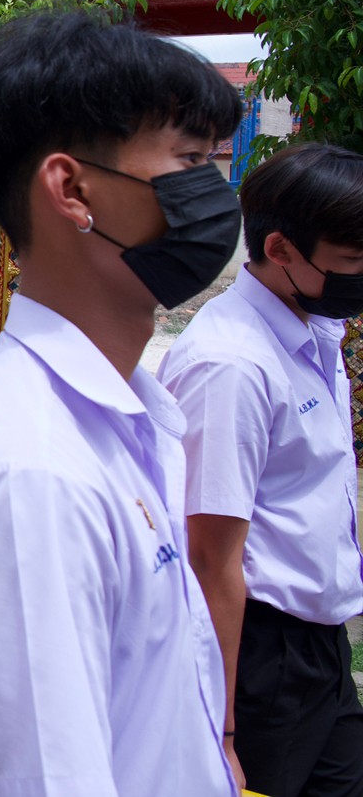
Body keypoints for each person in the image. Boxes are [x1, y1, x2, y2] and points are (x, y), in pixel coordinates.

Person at [0, 12, 243, 796]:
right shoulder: (26, 470)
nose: (216, 195)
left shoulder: (123, 419)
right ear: (71, 190)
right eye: (191, 161)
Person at [160, 142, 363, 797]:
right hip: (259, 659)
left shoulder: (316, 332)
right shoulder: (232, 364)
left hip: (322, 647)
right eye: (353, 261)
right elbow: (210, 557)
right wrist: (220, 731)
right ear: (280, 249)